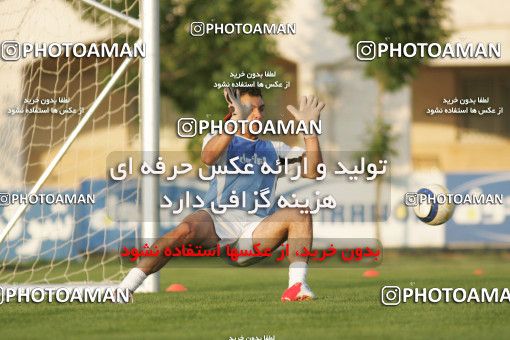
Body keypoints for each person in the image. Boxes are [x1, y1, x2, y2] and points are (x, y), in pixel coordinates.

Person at [119, 87, 325, 301]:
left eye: (261, 109)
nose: (258, 115)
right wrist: (235, 120)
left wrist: (309, 131)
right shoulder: (221, 138)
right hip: (218, 222)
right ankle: (124, 289)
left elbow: (313, 171)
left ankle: (296, 288)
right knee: (184, 230)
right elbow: (209, 157)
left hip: (254, 232)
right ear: (235, 109)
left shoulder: (275, 149)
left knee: (300, 212)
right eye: (251, 109)